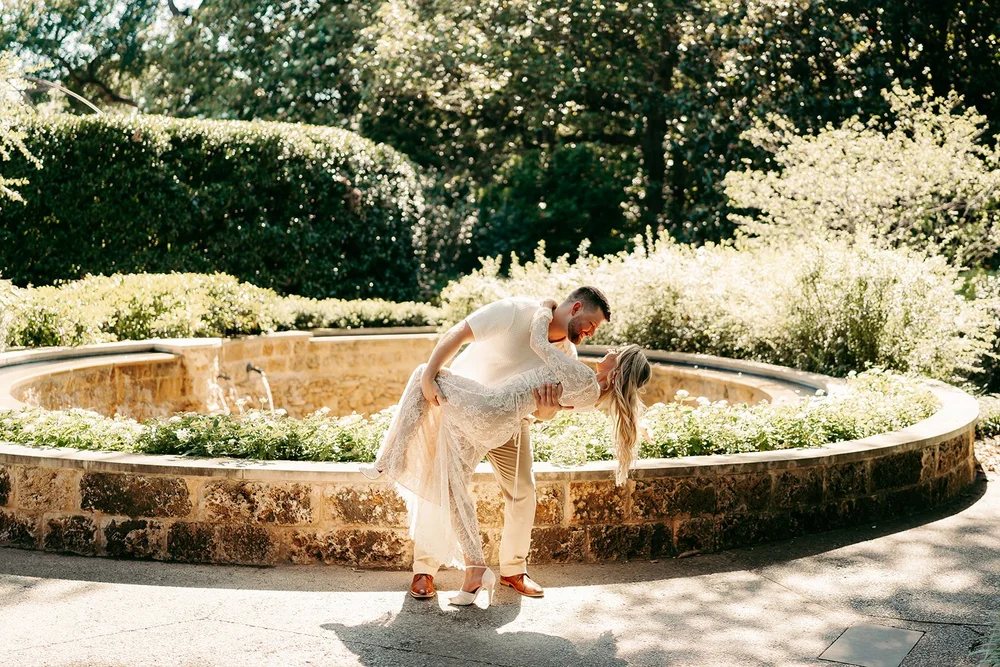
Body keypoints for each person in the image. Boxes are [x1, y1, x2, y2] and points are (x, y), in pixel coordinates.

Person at [361, 289, 651, 607]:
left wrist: (547, 408)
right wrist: (431, 376)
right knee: (442, 481)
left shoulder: (570, 355)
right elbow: (457, 333)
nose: (592, 333)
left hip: (506, 420)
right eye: (592, 324)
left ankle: (512, 569)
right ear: (577, 307)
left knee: (522, 490)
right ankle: (425, 570)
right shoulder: (514, 310)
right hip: (464, 405)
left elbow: (547, 409)